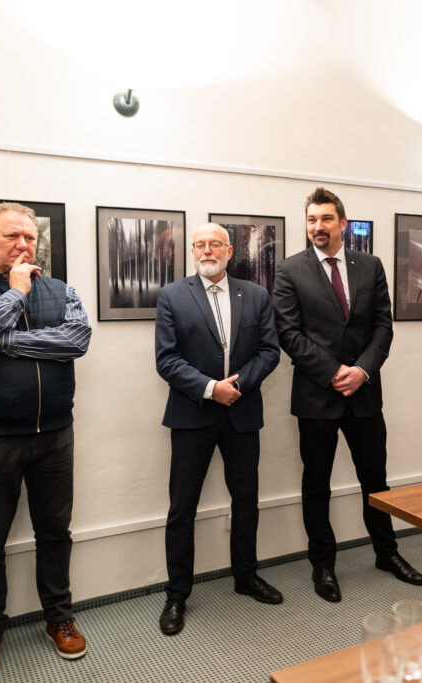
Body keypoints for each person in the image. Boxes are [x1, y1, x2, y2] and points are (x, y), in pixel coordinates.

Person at [0, 202, 92, 683]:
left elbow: (75, 341)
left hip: (54, 435)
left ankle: (59, 617)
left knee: (55, 532)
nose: (24, 244)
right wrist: (16, 293)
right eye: (12, 236)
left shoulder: (63, 290)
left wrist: (1, 340)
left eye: (30, 236)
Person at [273, 187, 422, 603]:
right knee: (316, 484)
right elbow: (289, 333)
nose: (317, 226)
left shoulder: (370, 265)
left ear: (343, 223)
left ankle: (387, 553)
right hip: (316, 396)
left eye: (325, 218)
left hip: (364, 393)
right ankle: (323, 565)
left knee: (375, 481)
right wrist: (332, 372)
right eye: (311, 220)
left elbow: (383, 326)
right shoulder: (289, 270)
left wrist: (362, 370)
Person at [154, 223, 282, 636]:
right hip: (192, 414)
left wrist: (237, 387)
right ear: (193, 252)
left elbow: (269, 351)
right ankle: (177, 594)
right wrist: (212, 389)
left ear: (229, 251)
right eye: (200, 245)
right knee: (182, 508)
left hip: (242, 413)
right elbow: (167, 360)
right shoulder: (173, 295)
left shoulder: (256, 295)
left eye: (215, 244)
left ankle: (246, 576)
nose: (207, 250)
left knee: (246, 501)